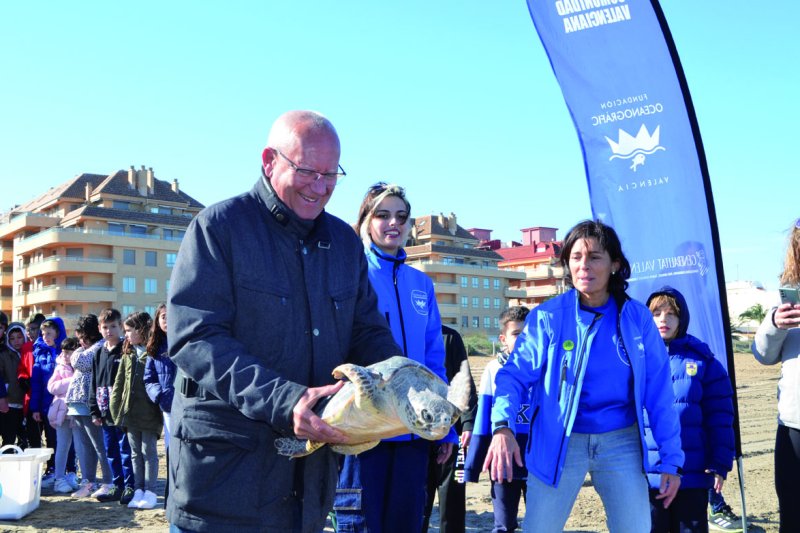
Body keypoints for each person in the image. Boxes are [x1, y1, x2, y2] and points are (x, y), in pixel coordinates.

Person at [166, 110, 401, 533]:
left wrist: (395, 378)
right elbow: (196, 337)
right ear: (269, 161)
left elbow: (367, 331)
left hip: (307, 493)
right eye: (308, 170)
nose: (321, 186)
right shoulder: (219, 228)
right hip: (224, 486)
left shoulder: (345, 243)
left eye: (332, 174)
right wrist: (285, 400)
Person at [484, 219, 684, 532]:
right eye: (576, 257)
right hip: (559, 440)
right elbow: (513, 376)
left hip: (621, 442)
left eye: (594, 257)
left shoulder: (637, 318)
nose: (583, 266)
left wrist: (671, 460)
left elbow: (660, 393)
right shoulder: (548, 317)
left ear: (615, 264)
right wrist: (502, 427)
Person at [333, 182, 455, 533]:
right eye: (383, 215)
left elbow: (434, 358)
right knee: (361, 524)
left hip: (412, 430)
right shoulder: (352, 275)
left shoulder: (422, 284)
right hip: (364, 429)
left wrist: (444, 427)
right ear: (365, 221)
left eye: (401, 217)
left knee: (406, 523)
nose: (393, 223)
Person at [645, 287, 736, 532]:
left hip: (691, 475)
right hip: (649, 477)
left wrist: (720, 462)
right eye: (656, 313)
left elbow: (720, 417)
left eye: (671, 314)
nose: (663, 319)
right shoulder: (636, 358)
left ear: (682, 318)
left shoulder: (703, 361)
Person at [752, 218, 800, 533]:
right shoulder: (791, 293)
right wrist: (775, 323)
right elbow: (764, 355)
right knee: (793, 517)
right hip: (794, 426)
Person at [464, 306, 531, 533]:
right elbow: (483, 418)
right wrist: (473, 464)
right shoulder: (493, 369)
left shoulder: (544, 368)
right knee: (503, 525)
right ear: (503, 339)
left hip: (536, 461)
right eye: (517, 334)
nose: (523, 339)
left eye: (529, 333)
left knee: (541, 524)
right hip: (503, 464)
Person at [422, 324, 478, 533]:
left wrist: (468, 424)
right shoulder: (408, 337)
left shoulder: (450, 337)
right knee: (419, 502)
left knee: (453, 500)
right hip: (417, 436)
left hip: (453, 436)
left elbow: (465, 383)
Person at [111, 311, 162, 509]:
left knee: (148, 452)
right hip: (130, 414)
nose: (127, 335)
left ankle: (150, 491)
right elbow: (119, 384)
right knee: (134, 453)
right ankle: (138, 489)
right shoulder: (128, 354)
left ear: (142, 330)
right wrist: (116, 411)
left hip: (149, 414)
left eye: (130, 330)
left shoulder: (155, 352)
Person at [89, 308, 136, 504]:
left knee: (125, 449)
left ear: (120, 327)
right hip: (104, 409)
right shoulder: (99, 352)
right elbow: (93, 382)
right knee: (111, 450)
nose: (109, 331)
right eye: (105, 327)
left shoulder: (127, 349)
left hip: (122, 411)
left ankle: (130, 486)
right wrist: (94, 410)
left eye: (114, 326)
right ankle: (116, 485)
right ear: (100, 329)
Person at [66, 314, 114, 499]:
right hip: (78, 404)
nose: (79, 342)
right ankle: (89, 482)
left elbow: (81, 362)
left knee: (99, 446)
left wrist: (76, 352)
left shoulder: (100, 346)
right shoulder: (89, 348)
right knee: (85, 447)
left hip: (90, 404)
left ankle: (108, 482)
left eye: (81, 337)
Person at [143, 303, 175, 508]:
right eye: (163, 316)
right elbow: (149, 379)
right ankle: (171, 499)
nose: (166, 320)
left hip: (189, 408)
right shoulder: (154, 349)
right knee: (172, 453)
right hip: (168, 409)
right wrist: (160, 396)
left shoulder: (188, 342)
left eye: (170, 315)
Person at [30, 317, 67, 483]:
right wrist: (35, 408)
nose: (46, 337)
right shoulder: (39, 353)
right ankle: (51, 469)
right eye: (43, 333)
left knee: (63, 439)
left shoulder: (63, 353)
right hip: (45, 405)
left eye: (49, 333)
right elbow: (36, 384)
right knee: (49, 439)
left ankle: (65, 470)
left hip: (61, 404)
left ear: (58, 334)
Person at [47, 336, 82, 494]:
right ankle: (59, 478)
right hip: (62, 413)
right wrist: (72, 381)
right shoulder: (60, 366)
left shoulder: (82, 365)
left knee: (80, 447)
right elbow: (52, 387)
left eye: (70, 352)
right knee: (62, 446)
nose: (66, 356)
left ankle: (73, 475)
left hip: (78, 412)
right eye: (64, 352)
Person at [0, 322, 26, 448]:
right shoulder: (4, 355)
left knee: (24, 440)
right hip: (9, 403)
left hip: (25, 404)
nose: (16, 341)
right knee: (8, 439)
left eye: (19, 337)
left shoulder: (29, 353)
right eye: (12, 338)